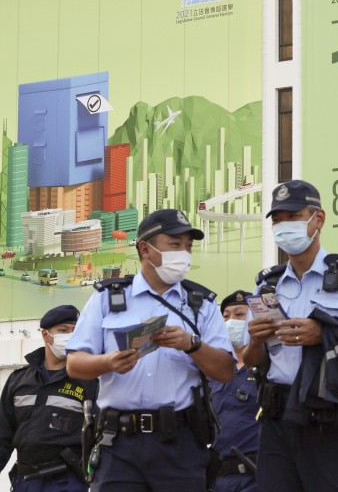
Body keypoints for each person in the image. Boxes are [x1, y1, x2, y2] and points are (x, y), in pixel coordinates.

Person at [66, 208, 234, 491]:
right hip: (118, 444)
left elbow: (225, 371)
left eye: (188, 247)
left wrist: (192, 345)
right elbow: (74, 364)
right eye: (175, 245)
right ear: (146, 249)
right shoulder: (108, 297)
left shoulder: (201, 304)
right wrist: (109, 362)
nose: (184, 254)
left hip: (179, 443)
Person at [243, 179, 338, 492]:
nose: (284, 226)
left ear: (318, 219)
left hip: (330, 420)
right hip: (276, 419)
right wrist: (256, 340)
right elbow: (251, 361)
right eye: (277, 220)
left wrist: (326, 334)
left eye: (293, 217)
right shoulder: (267, 286)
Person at [0, 304, 97, 492]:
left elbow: (99, 436)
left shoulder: (88, 381)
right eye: (63, 330)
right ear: (45, 335)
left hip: (67, 482)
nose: (70, 336)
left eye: (75, 331)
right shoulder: (19, 381)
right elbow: (2, 433)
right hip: (25, 480)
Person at [209, 290, 258, 492]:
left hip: (255, 476)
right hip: (216, 477)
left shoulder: (268, 367)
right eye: (226, 316)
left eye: (239, 315)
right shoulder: (213, 368)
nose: (231, 321)